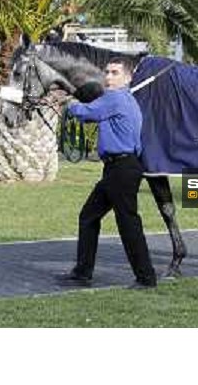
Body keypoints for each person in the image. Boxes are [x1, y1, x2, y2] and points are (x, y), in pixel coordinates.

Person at [58, 57, 157, 289]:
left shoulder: (114, 97)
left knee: (128, 223)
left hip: (120, 168)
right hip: (120, 167)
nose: (109, 77)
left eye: (115, 73)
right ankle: (82, 272)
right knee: (89, 216)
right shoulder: (129, 100)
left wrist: (68, 103)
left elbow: (85, 113)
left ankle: (146, 278)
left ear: (128, 78)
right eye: (107, 72)